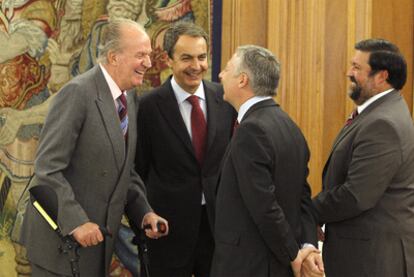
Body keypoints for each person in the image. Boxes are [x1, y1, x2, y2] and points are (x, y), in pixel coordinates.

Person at [19, 18, 168, 277]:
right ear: (114, 57)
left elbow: (123, 169)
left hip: (97, 248)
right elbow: (48, 168)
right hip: (61, 249)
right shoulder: (77, 93)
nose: (149, 63)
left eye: (149, 55)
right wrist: (76, 222)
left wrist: (144, 212)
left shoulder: (129, 97)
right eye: (141, 55)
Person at [211, 45, 322, 277]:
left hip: (250, 265)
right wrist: (307, 246)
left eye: (227, 68)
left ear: (242, 80)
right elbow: (303, 198)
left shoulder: (251, 130)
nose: (220, 75)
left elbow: (264, 205)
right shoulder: (290, 126)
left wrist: (293, 256)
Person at [135, 21, 236, 277]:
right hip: (167, 233)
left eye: (202, 57)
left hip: (217, 232)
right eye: (186, 58)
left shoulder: (225, 100)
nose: (196, 66)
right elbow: (138, 170)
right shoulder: (148, 107)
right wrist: (144, 214)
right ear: (169, 60)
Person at [309, 38, 414, 277]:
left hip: (373, 261)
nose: (349, 73)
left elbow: (356, 195)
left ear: (381, 77)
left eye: (357, 67)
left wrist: (310, 211)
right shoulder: (376, 113)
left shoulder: (383, 123)